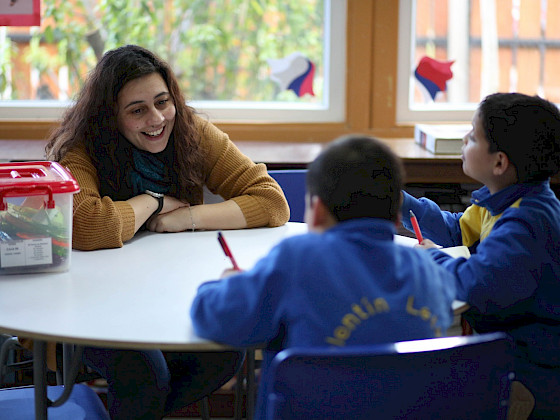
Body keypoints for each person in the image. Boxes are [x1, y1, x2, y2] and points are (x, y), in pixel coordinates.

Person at [40, 44, 290, 419]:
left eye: (163, 102)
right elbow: (88, 225)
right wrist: (154, 203)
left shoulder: (192, 132)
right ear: (111, 117)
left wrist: (186, 218)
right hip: (91, 305)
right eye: (137, 111)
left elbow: (271, 202)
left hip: (167, 294)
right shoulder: (82, 148)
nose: (157, 118)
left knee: (224, 354)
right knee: (143, 374)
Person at [190, 134, 457, 419]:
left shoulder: (297, 258)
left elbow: (216, 318)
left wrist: (223, 284)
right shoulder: (430, 271)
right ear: (395, 218)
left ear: (315, 213)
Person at [400, 93, 560, 419]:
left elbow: (475, 286)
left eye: (472, 136)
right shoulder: (504, 200)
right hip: (506, 344)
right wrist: (402, 203)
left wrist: (432, 258)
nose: (463, 139)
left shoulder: (527, 221)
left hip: (529, 366)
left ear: (500, 162)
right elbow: (459, 231)